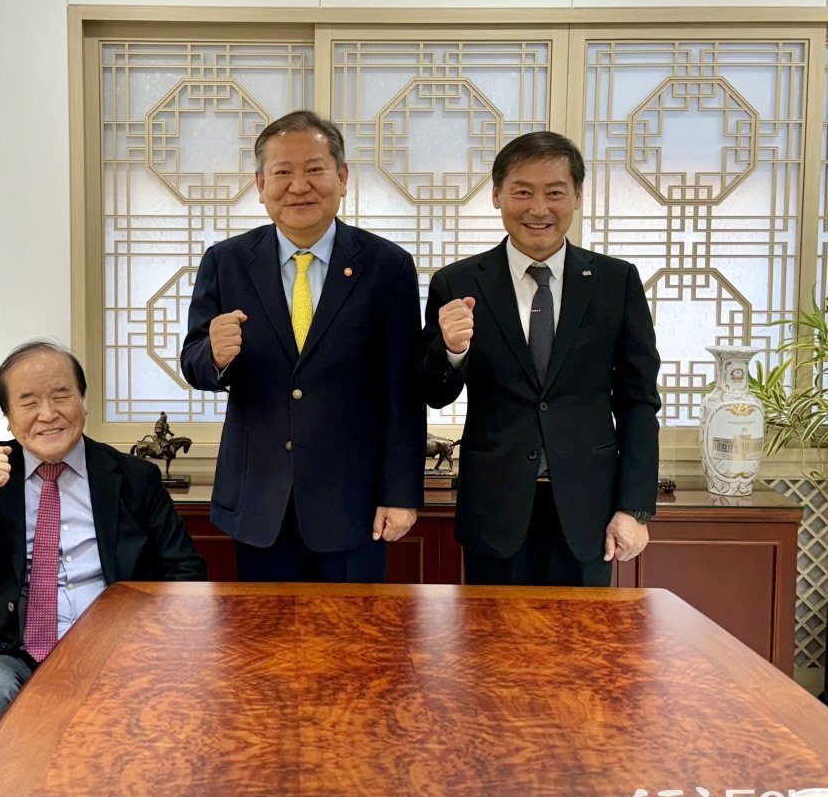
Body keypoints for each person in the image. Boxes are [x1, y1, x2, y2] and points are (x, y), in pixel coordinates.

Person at [0, 341, 206, 777]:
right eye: (28, 402)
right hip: (7, 649)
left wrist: (154, 639)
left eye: (62, 396)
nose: (48, 414)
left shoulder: (133, 478)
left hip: (118, 647)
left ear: (84, 402)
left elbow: (187, 573)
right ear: (8, 418)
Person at [181, 110, 425, 582]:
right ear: (259, 183)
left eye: (314, 170)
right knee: (263, 647)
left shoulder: (387, 266)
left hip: (352, 505)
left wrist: (400, 493)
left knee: (353, 645)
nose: (299, 186)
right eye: (282, 173)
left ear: (342, 177)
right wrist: (214, 353)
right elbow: (195, 364)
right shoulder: (226, 262)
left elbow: (403, 391)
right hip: (258, 503)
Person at [421, 131, 661, 587]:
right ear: (496, 195)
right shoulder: (457, 283)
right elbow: (434, 395)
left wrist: (634, 508)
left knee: (581, 652)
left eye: (555, 193)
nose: (538, 209)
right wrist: (452, 352)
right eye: (522, 191)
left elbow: (638, 401)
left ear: (577, 196)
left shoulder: (616, 282)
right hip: (495, 506)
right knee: (492, 649)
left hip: (589, 510)